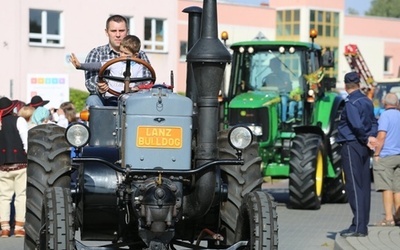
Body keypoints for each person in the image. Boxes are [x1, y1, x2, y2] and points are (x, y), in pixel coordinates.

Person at [336, 72, 378, 238]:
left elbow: (356, 125)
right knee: (364, 186)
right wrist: (372, 137)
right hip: (363, 147)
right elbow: (374, 122)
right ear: (358, 84)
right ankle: (360, 223)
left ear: (346, 86)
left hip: (352, 145)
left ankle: (358, 227)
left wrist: (366, 138)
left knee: (354, 186)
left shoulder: (351, 103)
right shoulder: (367, 101)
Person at [83, 15, 151, 107]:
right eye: (113, 31)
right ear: (107, 32)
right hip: (107, 99)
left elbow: (147, 80)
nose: (118, 35)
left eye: (121, 31)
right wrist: (100, 87)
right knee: (93, 99)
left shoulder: (140, 55)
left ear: (127, 31)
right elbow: (90, 82)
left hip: (134, 100)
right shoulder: (97, 53)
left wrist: (138, 88)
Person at [71, 35, 144, 105]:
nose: (122, 55)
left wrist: (136, 88)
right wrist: (80, 66)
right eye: (121, 52)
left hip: (130, 99)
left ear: (135, 55)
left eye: (126, 53)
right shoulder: (114, 62)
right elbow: (97, 65)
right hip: (111, 97)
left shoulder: (138, 67)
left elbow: (139, 82)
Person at [0, 96, 28, 237]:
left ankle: (4, 228)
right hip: (20, 164)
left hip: (2, 166)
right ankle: (19, 227)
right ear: (12, 109)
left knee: (4, 197)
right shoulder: (20, 120)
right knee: (21, 196)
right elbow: (26, 143)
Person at [371, 92, 400, 226]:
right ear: (397, 103)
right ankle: (398, 216)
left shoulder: (385, 115)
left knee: (386, 187)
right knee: (398, 188)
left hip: (387, 156)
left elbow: (381, 136)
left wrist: (376, 154)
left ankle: (389, 218)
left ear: (384, 102)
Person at [262, 57, 295, 123]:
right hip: (272, 95)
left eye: (274, 66)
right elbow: (264, 87)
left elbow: (287, 85)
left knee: (283, 100)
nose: (273, 68)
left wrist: (277, 88)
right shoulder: (268, 77)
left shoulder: (285, 75)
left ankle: (283, 120)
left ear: (278, 66)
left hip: (284, 94)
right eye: (272, 66)